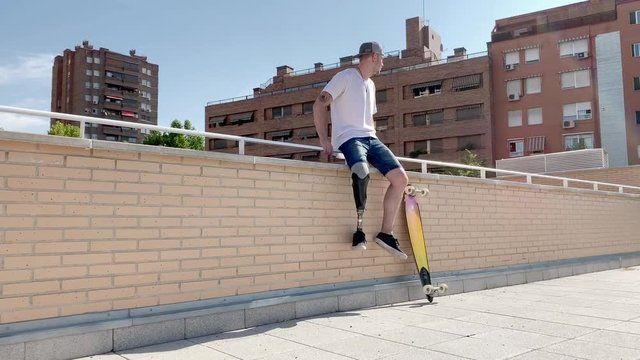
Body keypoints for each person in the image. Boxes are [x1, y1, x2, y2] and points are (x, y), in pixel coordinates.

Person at [313, 41, 409, 259]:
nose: (383, 63)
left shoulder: (371, 85)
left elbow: (366, 118)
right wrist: (324, 139)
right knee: (362, 171)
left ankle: (386, 234)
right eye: (382, 59)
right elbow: (319, 104)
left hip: (371, 138)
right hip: (349, 138)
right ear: (374, 57)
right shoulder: (345, 77)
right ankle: (359, 230)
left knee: (401, 179)